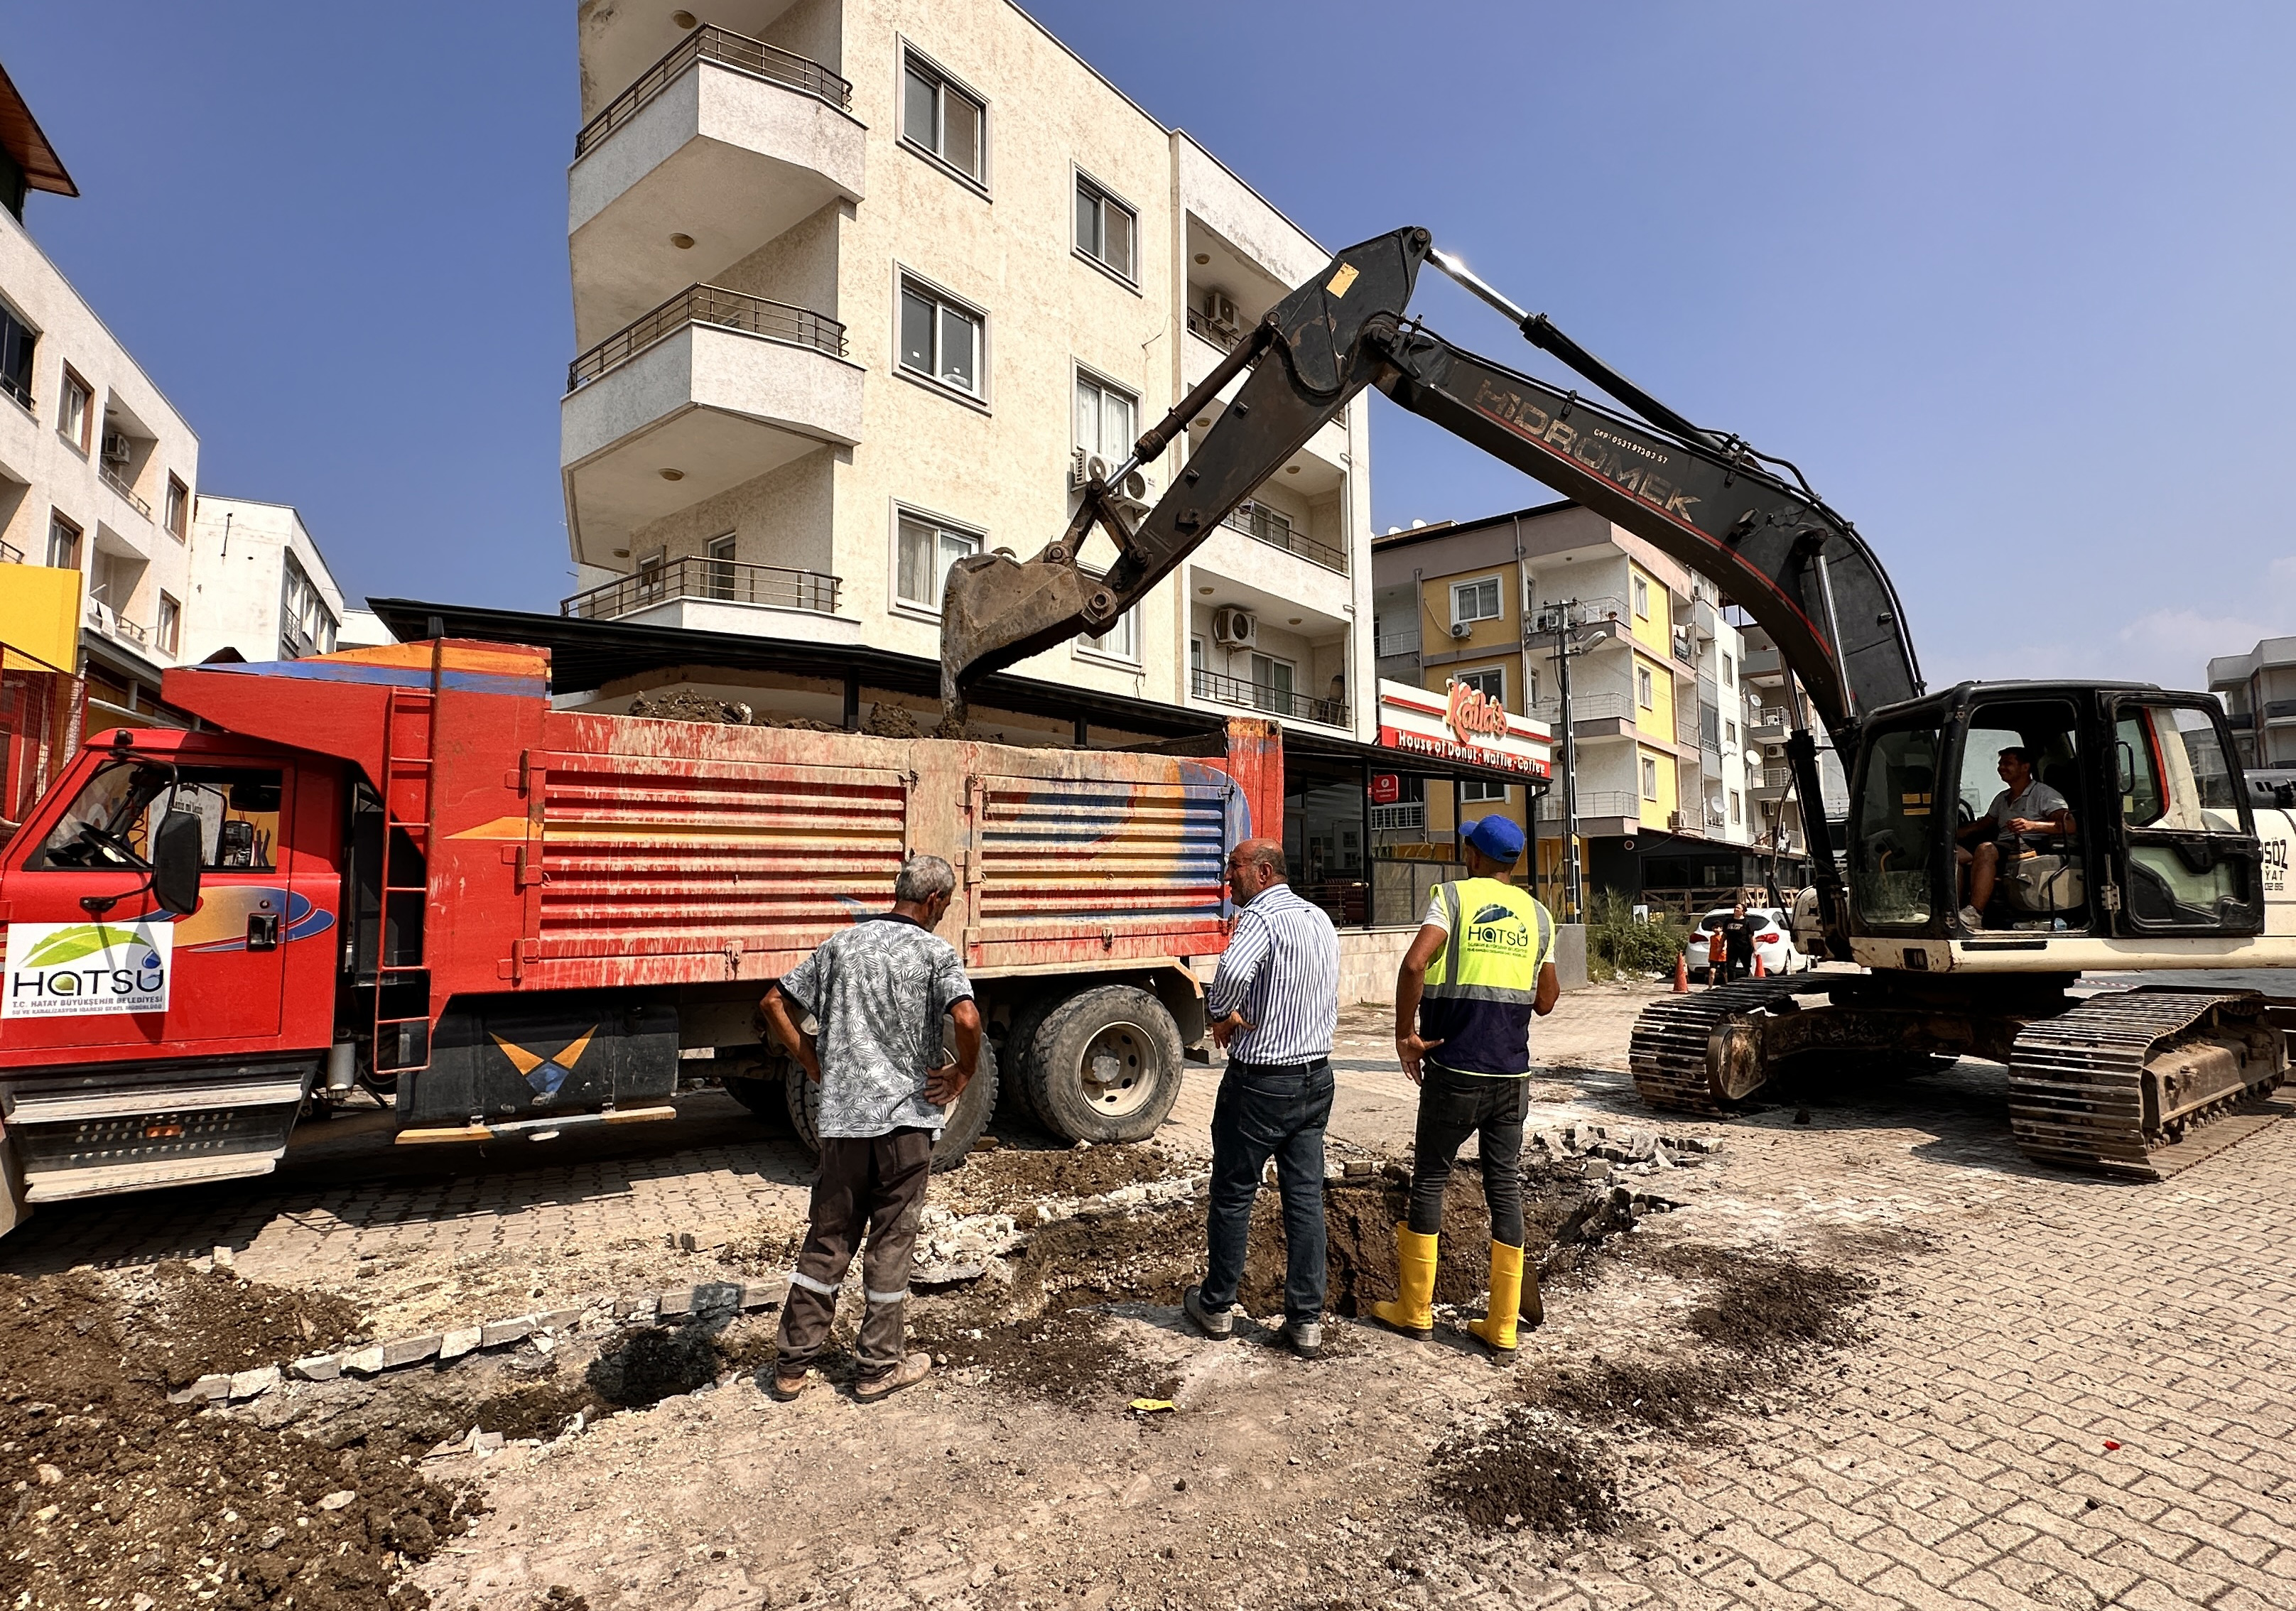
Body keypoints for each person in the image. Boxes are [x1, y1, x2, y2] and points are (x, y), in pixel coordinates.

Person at [757, 853, 982, 1402]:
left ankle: (791, 1366)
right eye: (946, 907)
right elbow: (968, 1018)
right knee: (890, 1241)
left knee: (829, 1237)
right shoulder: (934, 953)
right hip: (905, 1124)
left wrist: (812, 1060)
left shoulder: (840, 946)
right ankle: (877, 1367)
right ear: (932, 902)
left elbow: (772, 1003)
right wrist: (963, 1072)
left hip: (841, 1121)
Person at [1374, 815, 1560, 1363]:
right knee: (1505, 1183)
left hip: (1454, 1068)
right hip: (1511, 1074)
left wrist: (1406, 1036)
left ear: (1475, 856)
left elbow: (1415, 962)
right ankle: (1502, 1325)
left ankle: (1416, 1310)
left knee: (1431, 1175)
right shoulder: (1539, 914)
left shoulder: (1452, 898)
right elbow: (1547, 1000)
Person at [1182, 837, 1341, 1360]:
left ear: (1264, 871)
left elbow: (1229, 973)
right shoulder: (1319, 918)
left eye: (1234, 868)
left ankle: (1218, 1306)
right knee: (1304, 1198)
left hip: (1262, 1083)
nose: (1229, 878)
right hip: (1315, 1078)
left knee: (1233, 1194)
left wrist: (1220, 1012)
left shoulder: (1262, 918)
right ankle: (1306, 1321)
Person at [1956, 746, 2074, 930]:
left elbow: (2070, 825)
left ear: (2026, 767)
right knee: (1954, 854)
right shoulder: (2002, 798)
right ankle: (1952, 910)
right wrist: (1948, 833)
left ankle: (1974, 914)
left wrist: (2032, 825)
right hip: (2006, 847)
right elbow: (1981, 826)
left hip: (2033, 846)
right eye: (2000, 764)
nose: (2001, 768)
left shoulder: (2044, 795)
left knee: (1986, 850)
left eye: (2008, 763)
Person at [1717, 902, 1756, 982]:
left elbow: (1751, 936)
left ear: (1743, 911)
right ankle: (1732, 983)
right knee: (1730, 967)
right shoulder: (1729, 921)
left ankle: (1749, 981)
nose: (1736, 909)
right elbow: (1724, 935)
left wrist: (1755, 949)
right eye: (1735, 908)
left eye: (1738, 908)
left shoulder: (1746, 922)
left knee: (1746, 967)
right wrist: (1720, 947)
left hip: (1744, 948)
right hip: (1732, 948)